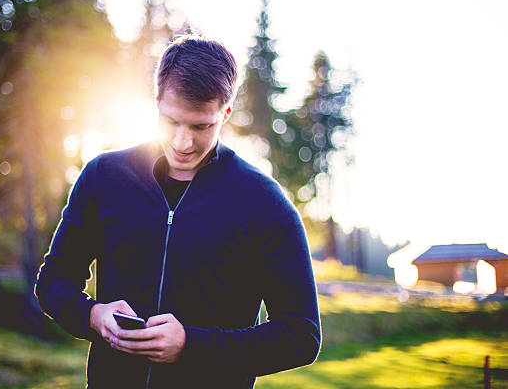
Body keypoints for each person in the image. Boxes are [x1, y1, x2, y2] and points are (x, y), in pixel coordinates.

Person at [35, 35, 321, 389]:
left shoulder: (265, 203)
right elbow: (53, 279)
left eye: (202, 126)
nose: (183, 143)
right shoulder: (103, 177)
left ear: (225, 113)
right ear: (156, 102)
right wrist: (92, 315)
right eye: (172, 121)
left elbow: (301, 335)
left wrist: (191, 345)